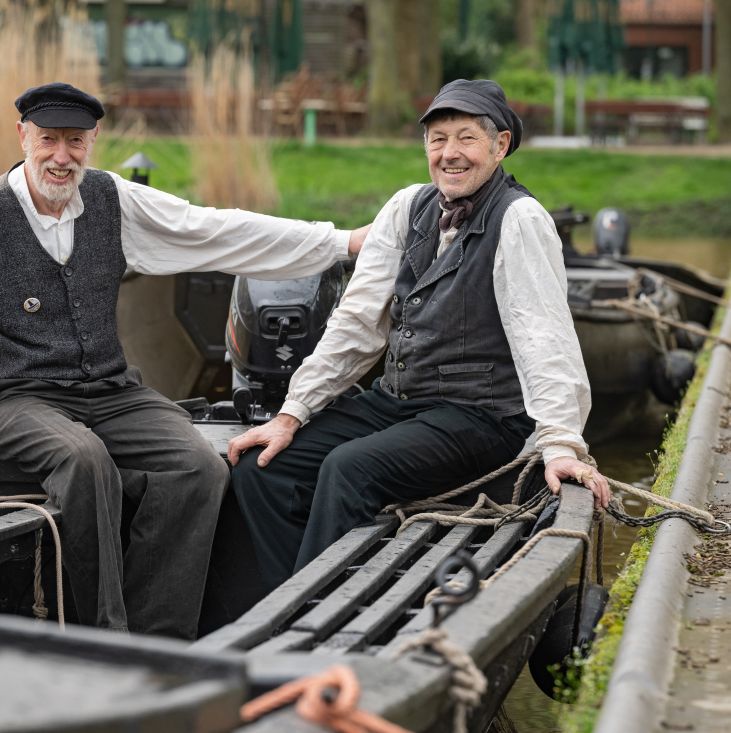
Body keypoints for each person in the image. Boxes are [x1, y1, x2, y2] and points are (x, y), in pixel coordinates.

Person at [0, 82, 370, 639]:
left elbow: (213, 230)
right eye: (48, 140)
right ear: (23, 137)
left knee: (199, 467)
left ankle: (158, 639)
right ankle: (102, 636)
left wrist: (341, 243)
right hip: (17, 399)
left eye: (75, 141)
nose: (61, 157)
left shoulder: (114, 200)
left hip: (112, 392)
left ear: (93, 140)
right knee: (84, 461)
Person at [227, 79, 612, 593]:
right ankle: (280, 600)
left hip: (479, 416)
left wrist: (561, 443)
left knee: (349, 468)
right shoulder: (407, 207)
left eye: (466, 138)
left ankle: (312, 620)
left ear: (500, 146)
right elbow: (357, 322)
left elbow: (544, 338)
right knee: (263, 469)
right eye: (437, 139)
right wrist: (292, 413)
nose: (449, 153)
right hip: (398, 403)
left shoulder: (520, 219)